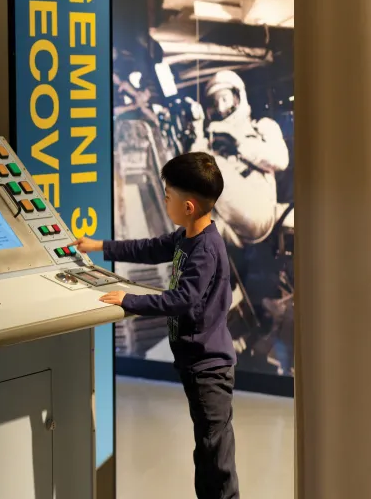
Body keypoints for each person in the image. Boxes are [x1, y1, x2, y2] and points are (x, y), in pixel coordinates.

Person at [70, 152, 239, 499]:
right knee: (206, 452)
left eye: (168, 196)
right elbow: (148, 248)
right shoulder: (186, 237)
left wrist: (128, 300)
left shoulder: (205, 248)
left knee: (217, 458)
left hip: (210, 369)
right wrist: (99, 246)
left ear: (188, 206)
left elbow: (181, 299)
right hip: (195, 365)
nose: (164, 200)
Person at [187, 70, 289, 248]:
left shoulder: (262, 127)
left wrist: (239, 144)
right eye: (215, 102)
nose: (220, 108)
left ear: (238, 97)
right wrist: (198, 130)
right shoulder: (212, 138)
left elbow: (281, 160)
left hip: (258, 212)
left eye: (224, 99)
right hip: (227, 225)